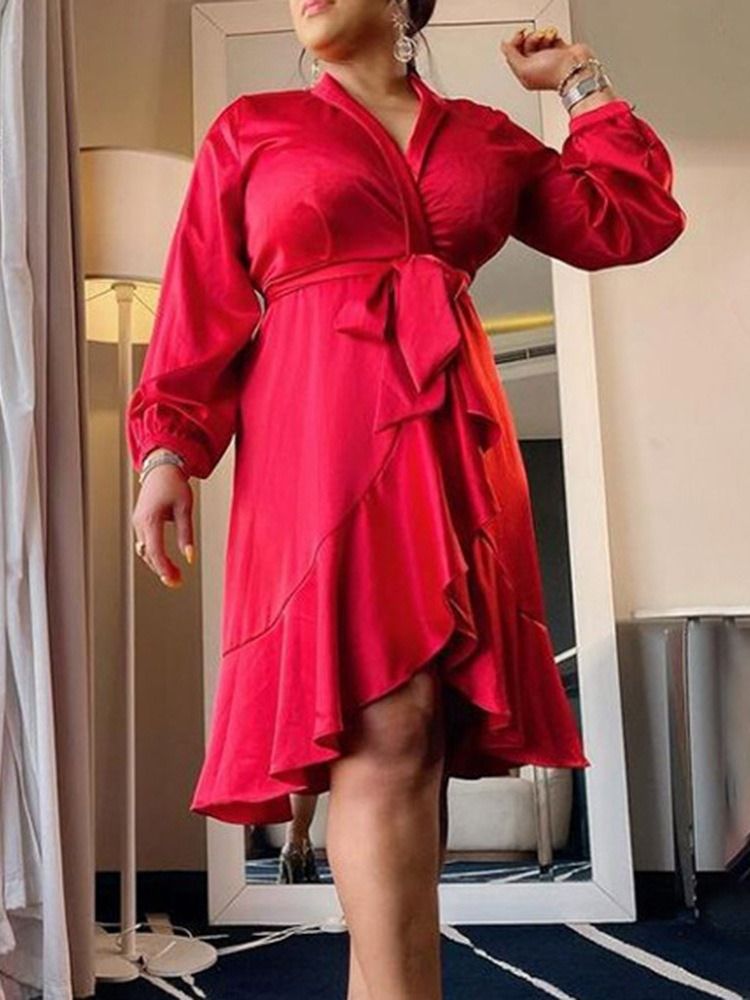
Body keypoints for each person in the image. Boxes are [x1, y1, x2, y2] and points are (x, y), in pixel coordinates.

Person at [127, 2, 687, 997]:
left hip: (453, 446)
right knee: (386, 726)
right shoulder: (252, 128)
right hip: (318, 446)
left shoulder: (482, 136)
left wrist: (579, 81)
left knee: (421, 731)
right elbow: (199, 302)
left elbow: (628, 221)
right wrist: (168, 450)